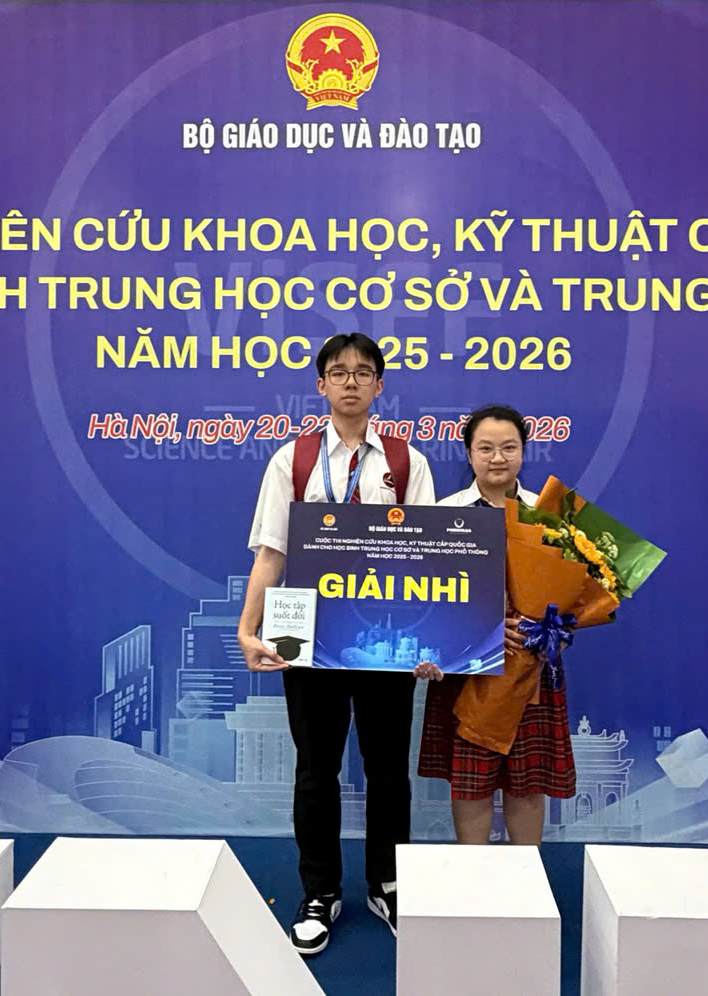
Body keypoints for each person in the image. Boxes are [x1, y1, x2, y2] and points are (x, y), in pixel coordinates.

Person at [237, 333, 436, 956]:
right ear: (321, 385)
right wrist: (248, 628)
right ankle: (319, 891)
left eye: (363, 372)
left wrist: (432, 640)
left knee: (388, 770)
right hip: (307, 632)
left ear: (380, 386)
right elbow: (272, 552)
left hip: (385, 637)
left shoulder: (407, 461)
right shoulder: (291, 460)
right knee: (315, 768)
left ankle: (387, 883)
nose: (351, 382)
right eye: (339, 372)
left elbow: (428, 556)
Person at [417, 404, 576, 845]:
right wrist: (464, 636)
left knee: (527, 782)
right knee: (470, 783)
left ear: (524, 451)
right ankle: (474, 878)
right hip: (466, 669)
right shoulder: (443, 514)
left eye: (509, 447)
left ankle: (527, 878)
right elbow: (425, 598)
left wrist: (554, 631)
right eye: (485, 448)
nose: (498, 458)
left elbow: (576, 594)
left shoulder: (548, 513)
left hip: (530, 664)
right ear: (469, 453)